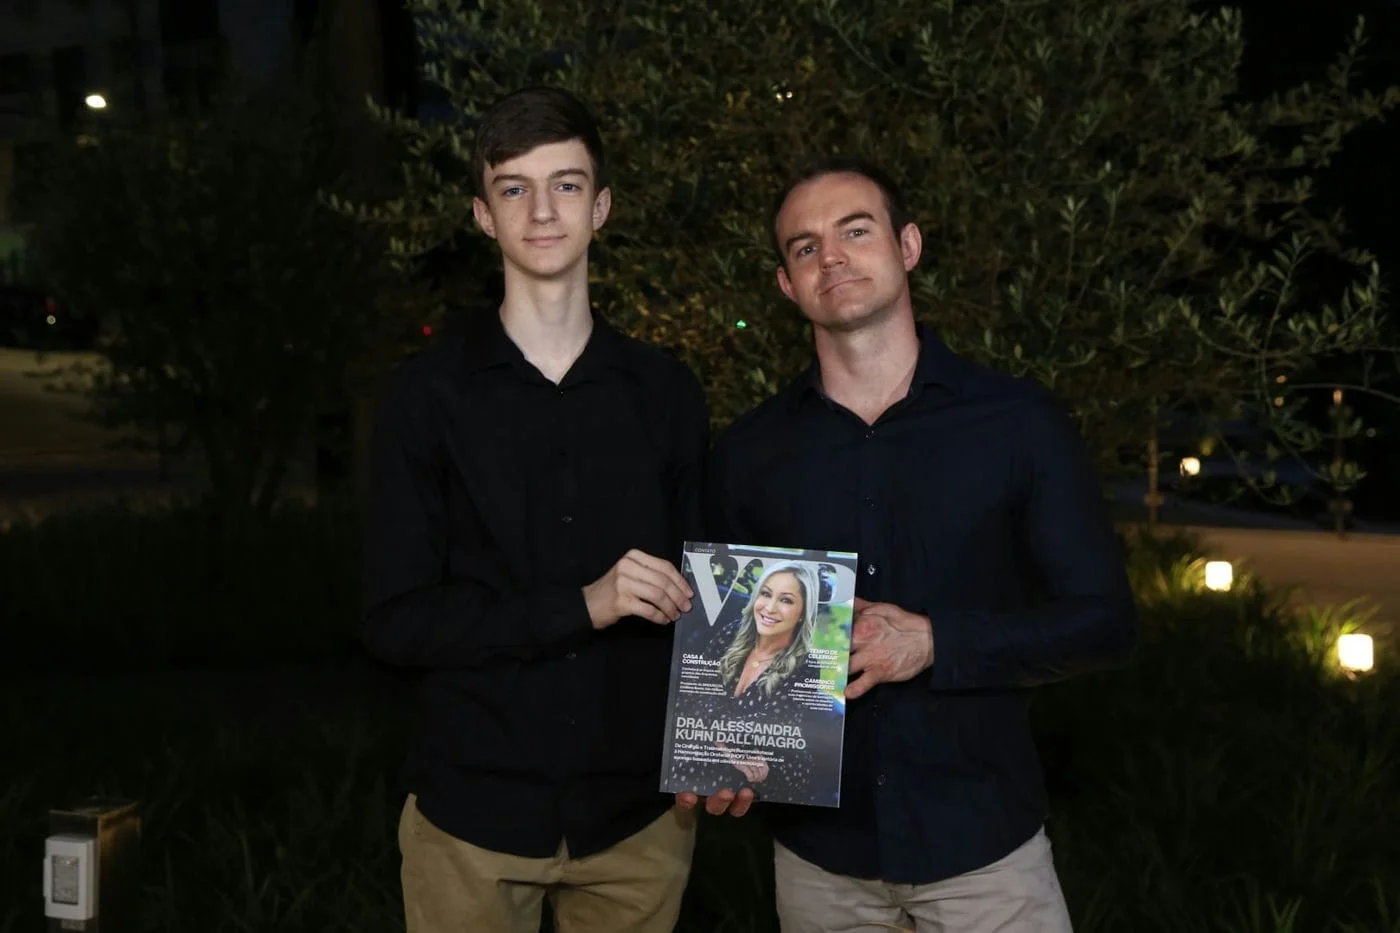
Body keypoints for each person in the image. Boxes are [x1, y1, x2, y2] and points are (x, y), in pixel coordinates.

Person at [678, 157, 1138, 932]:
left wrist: (936, 641)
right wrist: (728, 753)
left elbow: (1106, 622)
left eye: (856, 231)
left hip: (987, 857)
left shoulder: (1018, 424)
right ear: (788, 284)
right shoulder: (748, 454)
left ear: (909, 246)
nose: (832, 257)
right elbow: (733, 647)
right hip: (820, 868)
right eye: (805, 247)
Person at [362, 86, 709, 933]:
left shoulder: (665, 392)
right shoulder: (426, 398)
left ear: (601, 207)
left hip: (638, 822)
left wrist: (732, 742)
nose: (543, 210)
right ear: (484, 216)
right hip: (471, 820)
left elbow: (715, 595)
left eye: (566, 184)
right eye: (514, 188)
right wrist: (584, 604)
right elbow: (396, 620)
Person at [667, 560, 829, 802]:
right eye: (766, 594)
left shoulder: (807, 664)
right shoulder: (732, 633)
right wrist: (720, 742)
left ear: (802, 613)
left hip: (769, 758)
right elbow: (692, 697)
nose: (769, 608)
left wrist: (716, 733)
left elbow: (770, 724)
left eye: (786, 600)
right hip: (716, 744)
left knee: (731, 771)